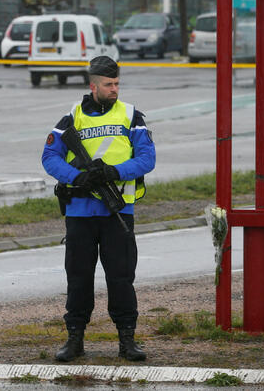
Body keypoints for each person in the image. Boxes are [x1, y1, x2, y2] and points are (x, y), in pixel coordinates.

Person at [41, 55, 155, 362]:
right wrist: (77, 177)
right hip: (80, 211)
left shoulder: (132, 116)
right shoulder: (72, 118)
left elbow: (147, 159)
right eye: (108, 84)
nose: (115, 89)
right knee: (78, 278)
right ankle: (74, 340)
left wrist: (114, 172)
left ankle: (127, 340)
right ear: (93, 85)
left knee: (121, 277)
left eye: (117, 83)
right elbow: (49, 157)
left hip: (118, 212)